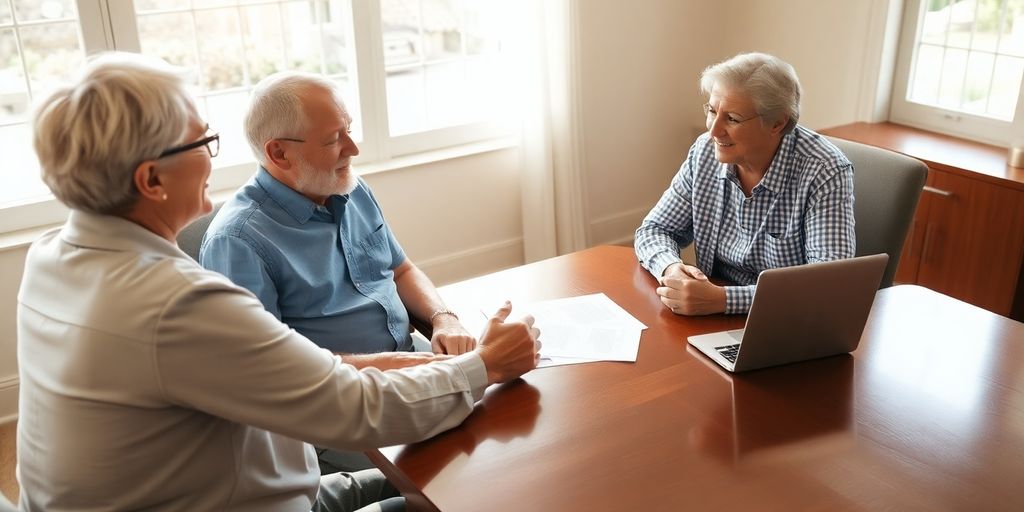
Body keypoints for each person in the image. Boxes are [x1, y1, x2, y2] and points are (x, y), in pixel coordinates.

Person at [17, 52, 540, 512]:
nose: (214, 156)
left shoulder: (50, 259)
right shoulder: (175, 305)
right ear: (151, 180)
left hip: (270, 487)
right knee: (492, 490)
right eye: (204, 140)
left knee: (475, 472)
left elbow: (282, 365)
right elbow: (352, 409)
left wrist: (421, 357)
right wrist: (485, 365)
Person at [200, 71, 475, 369]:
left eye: (349, 131)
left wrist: (444, 318)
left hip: (410, 366)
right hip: (340, 397)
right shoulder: (237, 242)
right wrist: (397, 366)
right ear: (279, 153)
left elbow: (401, 271)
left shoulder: (349, 188)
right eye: (333, 139)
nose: (353, 149)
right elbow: (265, 366)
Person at [634, 52, 855, 316]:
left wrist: (724, 300)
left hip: (787, 322)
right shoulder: (704, 151)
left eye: (732, 119)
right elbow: (654, 230)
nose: (714, 131)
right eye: (712, 111)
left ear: (777, 123)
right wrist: (671, 269)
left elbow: (825, 286)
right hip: (710, 318)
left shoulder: (824, 171)